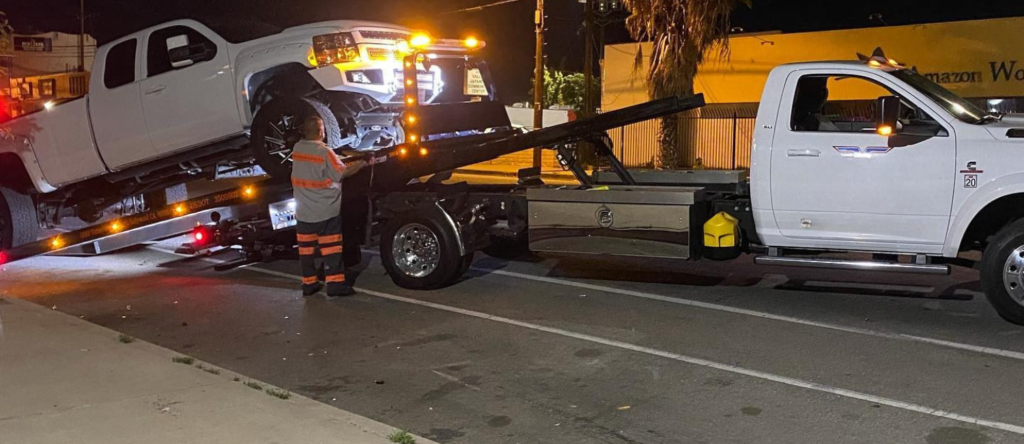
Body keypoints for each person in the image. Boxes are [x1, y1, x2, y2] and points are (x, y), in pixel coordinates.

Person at [292, 116, 371, 298]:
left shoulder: (298, 149)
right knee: (331, 250)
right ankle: (335, 285)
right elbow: (341, 173)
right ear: (321, 132)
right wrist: (364, 162)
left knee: (306, 252)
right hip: (325, 211)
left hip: (304, 213)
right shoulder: (324, 152)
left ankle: (309, 284)